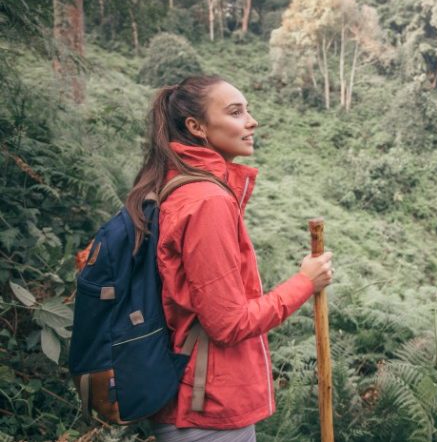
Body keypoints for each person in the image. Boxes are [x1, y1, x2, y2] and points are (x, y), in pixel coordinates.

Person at [124, 75, 334, 441]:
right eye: (236, 112)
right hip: (206, 407)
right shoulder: (207, 201)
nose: (251, 121)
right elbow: (228, 323)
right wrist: (305, 282)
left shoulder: (177, 182)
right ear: (196, 127)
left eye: (247, 110)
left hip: (193, 396)